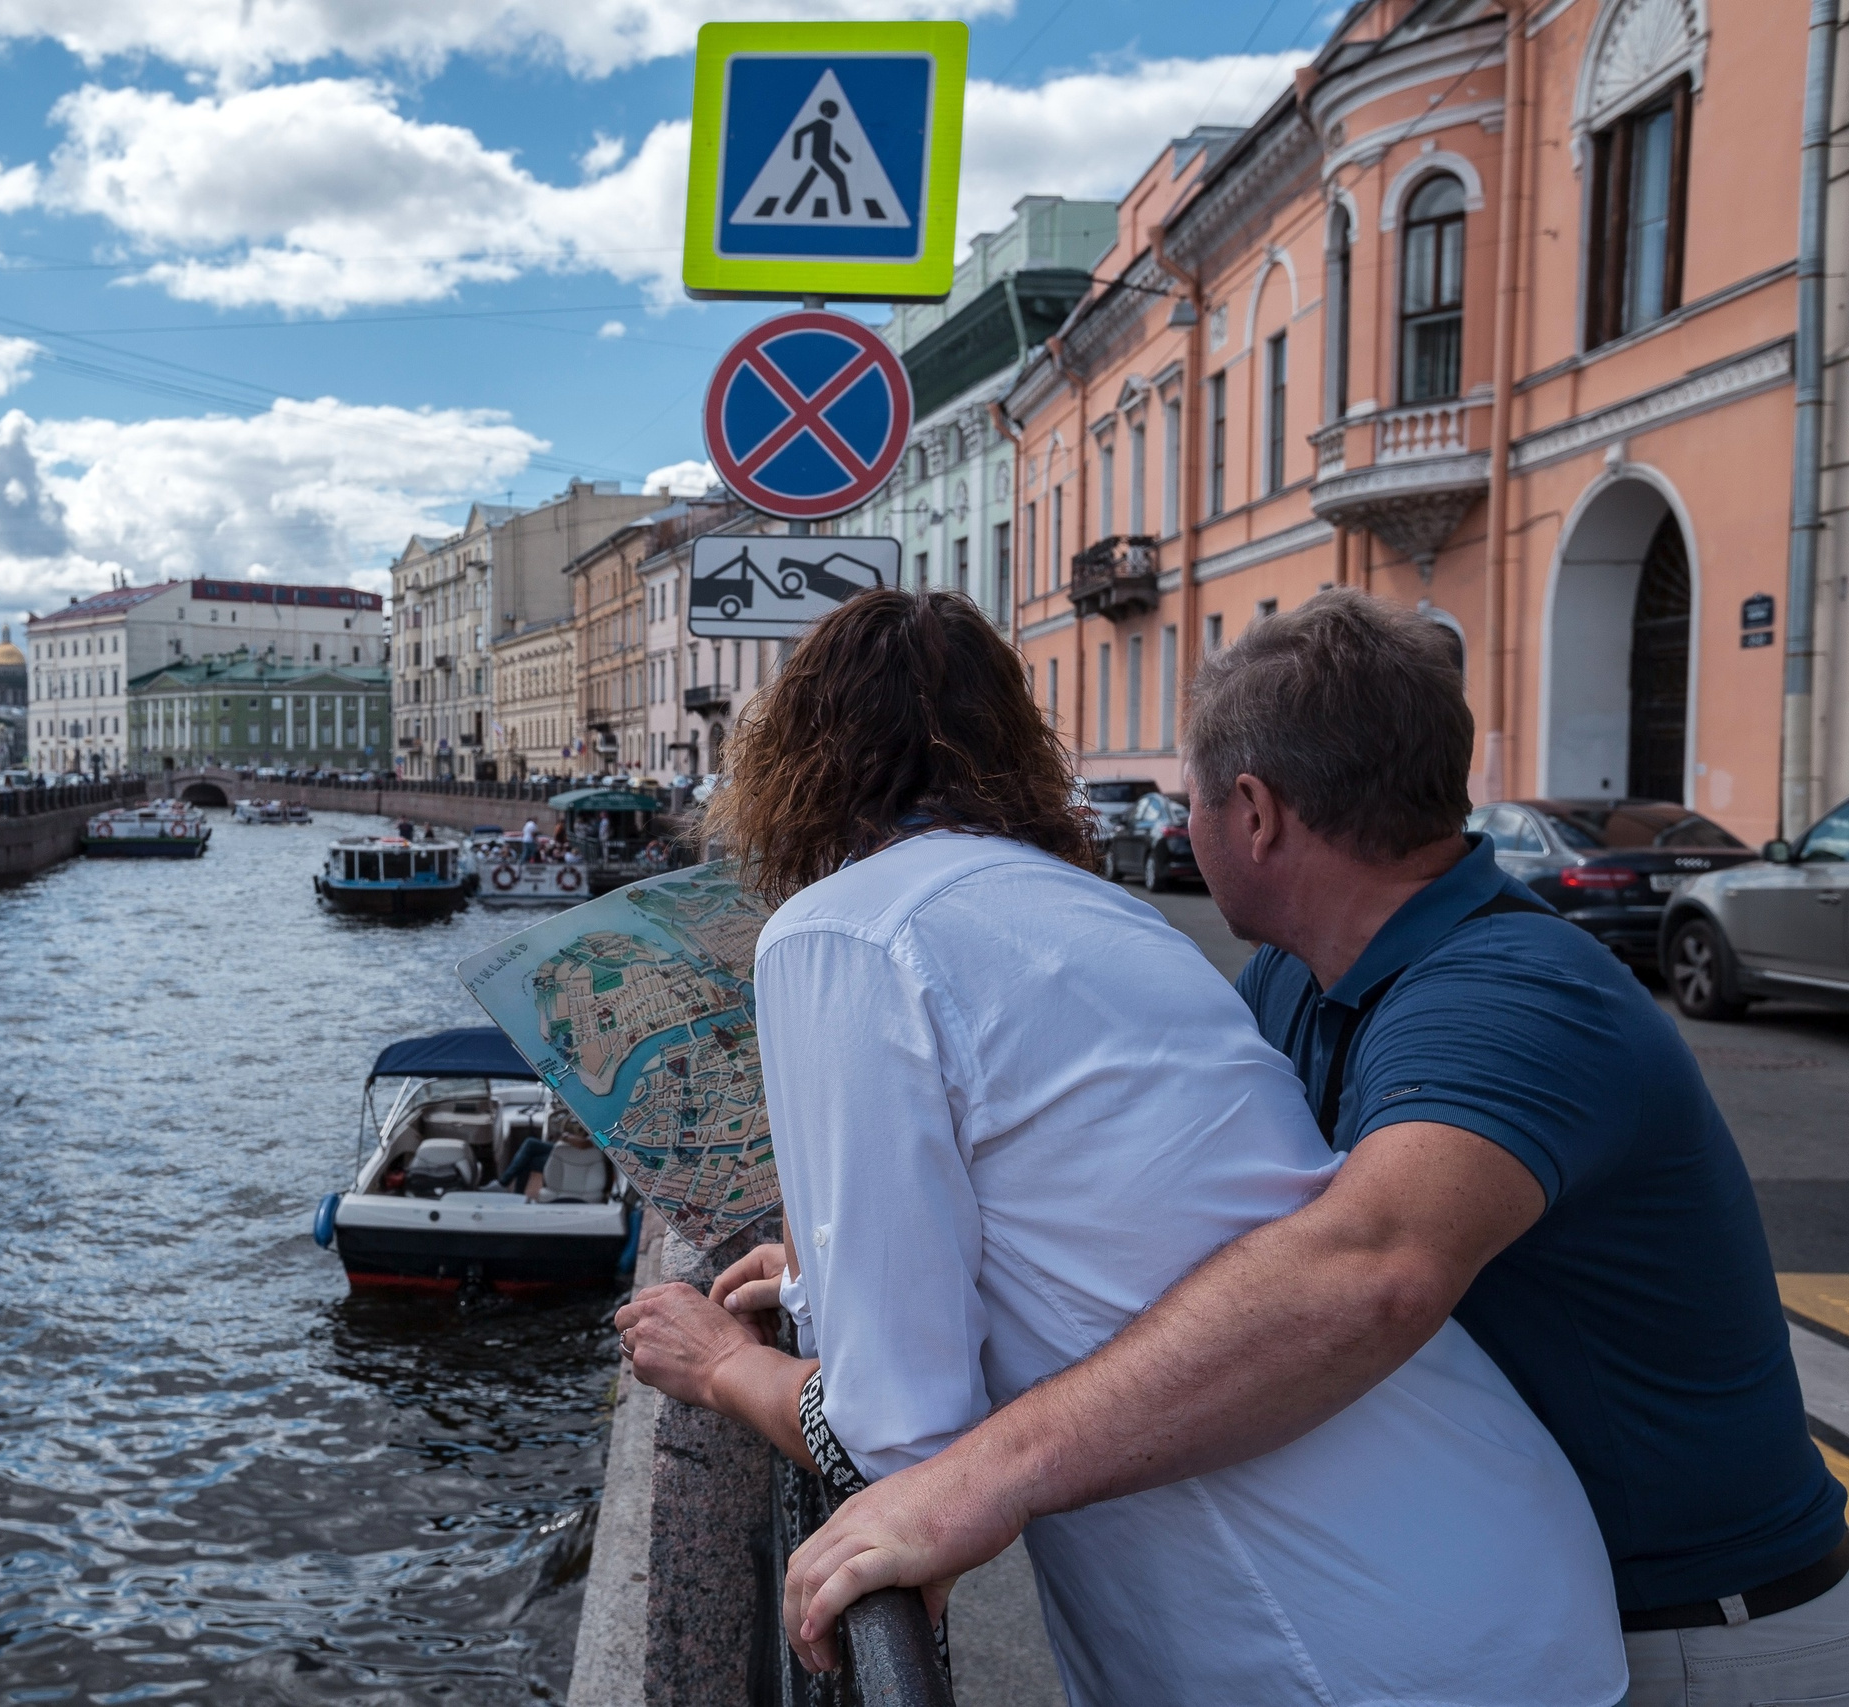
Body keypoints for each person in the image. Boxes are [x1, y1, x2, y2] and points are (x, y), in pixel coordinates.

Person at [779, 589, 1846, 1703]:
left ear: (1252, 812)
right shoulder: (1297, 977)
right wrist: (833, 1264)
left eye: (1188, 799)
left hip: (1696, 1629)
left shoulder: (1518, 996)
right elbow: (1157, 1213)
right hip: (1542, 1584)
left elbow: (1365, 1270)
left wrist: (974, 1481)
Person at [613, 588, 1623, 1703]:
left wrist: (723, 1367)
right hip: (1496, 1572)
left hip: (1326, 1639)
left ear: (794, 765)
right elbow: (1091, 1221)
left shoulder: (837, 929)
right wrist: (818, 1284)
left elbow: (896, 1447)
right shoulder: (1101, 913)